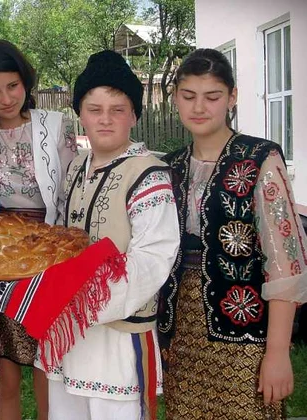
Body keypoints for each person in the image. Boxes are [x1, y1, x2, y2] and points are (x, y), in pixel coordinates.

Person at [158, 48, 307, 419]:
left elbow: (285, 263)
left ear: (232, 97)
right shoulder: (169, 166)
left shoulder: (259, 158)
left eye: (213, 96)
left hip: (246, 333)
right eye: (189, 96)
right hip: (179, 333)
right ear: (176, 97)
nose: (199, 107)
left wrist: (276, 352)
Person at [44, 50, 179, 420]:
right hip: (70, 333)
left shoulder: (148, 173)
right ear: (80, 113)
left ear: (134, 114)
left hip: (119, 334)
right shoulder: (74, 168)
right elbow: (59, 239)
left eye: (117, 109)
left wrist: (88, 302)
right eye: (94, 108)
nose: (105, 119)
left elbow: (153, 258)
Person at [0, 39, 77, 420]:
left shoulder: (54, 124)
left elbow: (70, 188)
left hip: (47, 253)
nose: (6, 98)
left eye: (12, 85)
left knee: (46, 364)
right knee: (4, 368)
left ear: (25, 80)